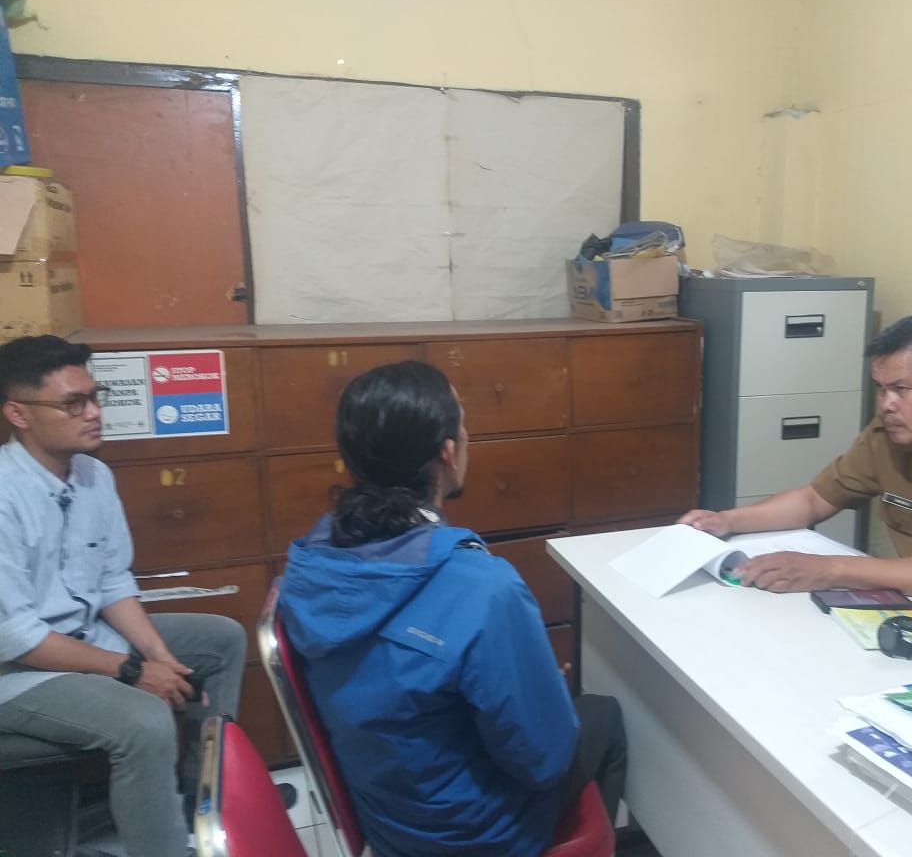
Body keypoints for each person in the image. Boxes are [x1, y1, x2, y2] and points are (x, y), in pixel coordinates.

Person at [279, 360, 626, 857]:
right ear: (447, 452)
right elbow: (543, 761)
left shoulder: (312, 563)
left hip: (387, 822)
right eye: (462, 422)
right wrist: (540, 691)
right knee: (603, 718)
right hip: (473, 836)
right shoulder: (481, 587)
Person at [0, 335, 246, 857]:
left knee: (220, 640)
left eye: (95, 396)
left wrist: (159, 657)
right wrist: (133, 670)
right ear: (18, 414)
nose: (94, 413)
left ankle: (199, 803)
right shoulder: (4, 495)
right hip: (18, 674)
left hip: (87, 634)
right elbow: (17, 637)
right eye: (73, 403)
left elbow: (112, 581)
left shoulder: (95, 476)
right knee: (144, 721)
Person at [680, 313, 912, 623]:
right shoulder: (891, 434)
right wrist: (726, 521)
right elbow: (813, 500)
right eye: (881, 389)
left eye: (901, 389)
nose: (886, 405)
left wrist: (830, 569)